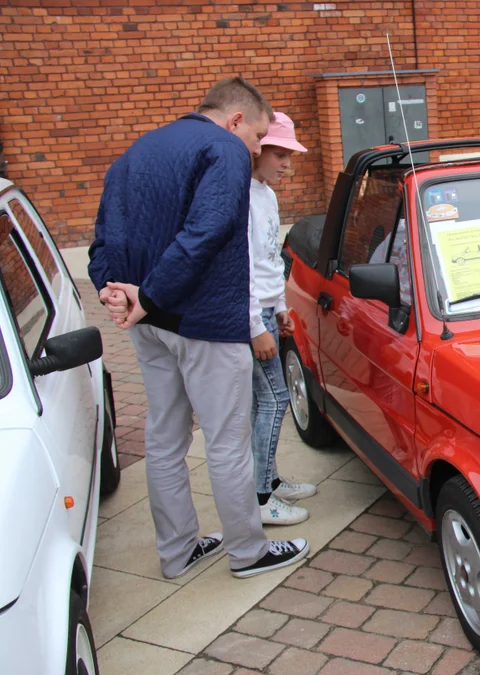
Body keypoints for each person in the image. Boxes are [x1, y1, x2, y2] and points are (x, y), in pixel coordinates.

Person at [89, 77, 309, 580]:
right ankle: (248, 553)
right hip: (204, 322)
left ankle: (178, 550)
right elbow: (207, 231)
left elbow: (106, 232)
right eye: (256, 137)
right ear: (236, 120)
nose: (255, 148)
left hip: (150, 324)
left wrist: (112, 289)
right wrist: (147, 296)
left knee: (164, 440)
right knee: (227, 442)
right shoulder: (225, 148)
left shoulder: (137, 150)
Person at [246, 112, 316, 525]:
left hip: (267, 312)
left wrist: (280, 308)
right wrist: (256, 324)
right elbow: (240, 268)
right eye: (279, 153)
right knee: (273, 400)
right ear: (256, 149)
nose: (287, 163)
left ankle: (269, 481)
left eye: (290, 154)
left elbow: (269, 261)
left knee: (266, 400)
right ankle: (259, 496)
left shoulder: (266, 195)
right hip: (251, 318)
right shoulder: (240, 199)